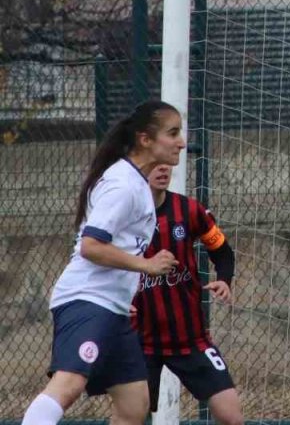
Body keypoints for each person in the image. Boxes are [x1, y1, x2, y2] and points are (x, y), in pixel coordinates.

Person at [20, 101, 184, 425]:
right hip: (87, 301)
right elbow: (91, 247)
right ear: (145, 139)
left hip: (113, 310)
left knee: (134, 405)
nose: (181, 142)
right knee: (68, 386)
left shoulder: (136, 182)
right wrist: (146, 265)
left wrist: (125, 292)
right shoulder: (123, 185)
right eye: (173, 133)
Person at [133, 164, 244, 425]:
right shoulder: (124, 216)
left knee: (233, 417)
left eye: (167, 163)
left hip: (190, 340)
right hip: (140, 342)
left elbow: (223, 252)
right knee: (131, 418)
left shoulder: (190, 211)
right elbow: (100, 260)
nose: (163, 169)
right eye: (155, 163)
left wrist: (224, 280)